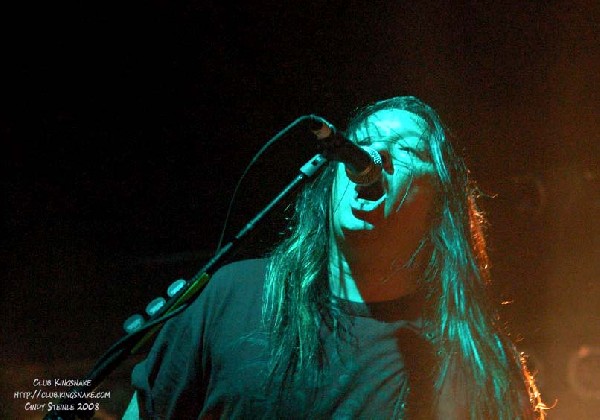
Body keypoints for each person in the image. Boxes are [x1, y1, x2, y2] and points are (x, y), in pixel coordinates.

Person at [124, 96, 546, 419]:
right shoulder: (235, 294)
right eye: (362, 145)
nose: (376, 157)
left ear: (440, 204)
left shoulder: (473, 362)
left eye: (407, 152)